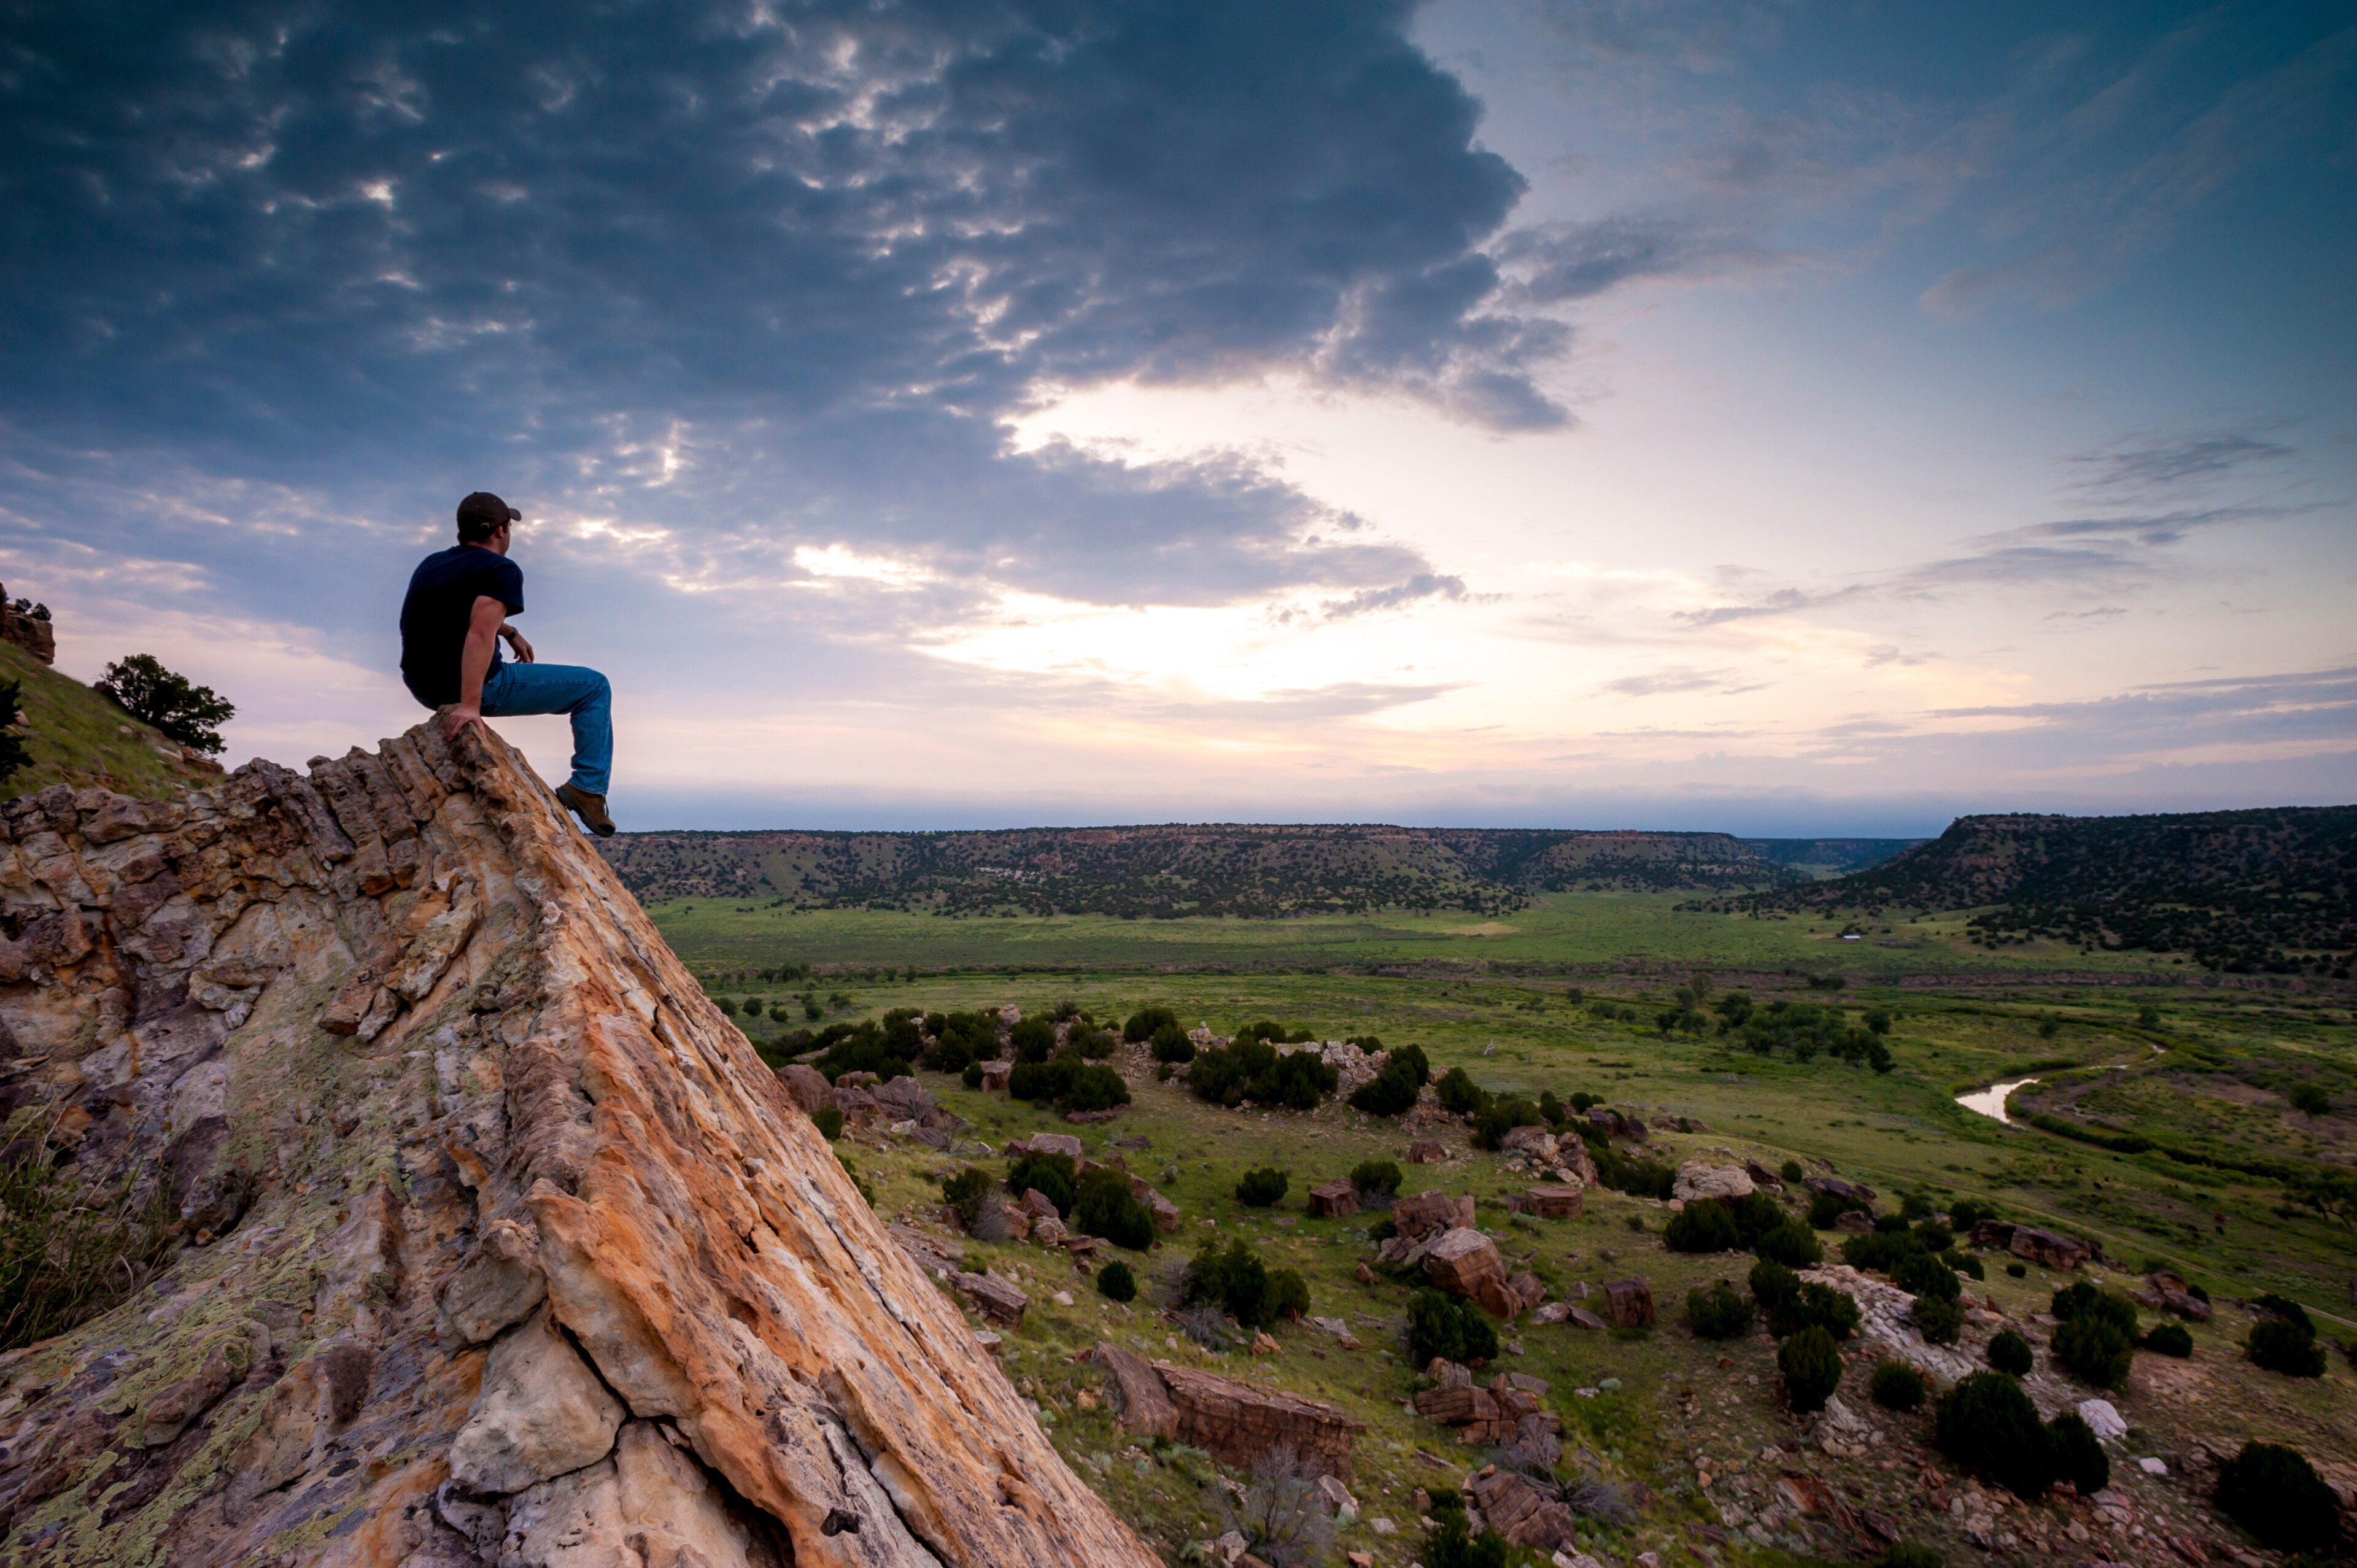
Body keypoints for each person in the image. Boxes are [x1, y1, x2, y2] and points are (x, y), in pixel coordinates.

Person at [398, 491, 616, 836]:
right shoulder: (501, 569)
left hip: (423, 685)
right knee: (594, 686)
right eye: (509, 526)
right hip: (480, 685)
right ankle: (587, 788)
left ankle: (587, 787)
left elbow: (450, 612)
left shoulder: (433, 563)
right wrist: (470, 705)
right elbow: (479, 635)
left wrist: (510, 631)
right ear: (501, 530)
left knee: (586, 683)